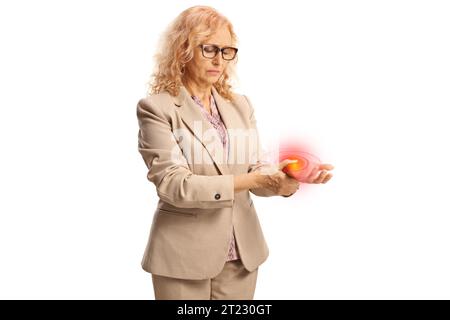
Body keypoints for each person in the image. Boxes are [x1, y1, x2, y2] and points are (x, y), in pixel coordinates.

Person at [136, 5, 333, 300]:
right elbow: (175, 185)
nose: (220, 59)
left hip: (242, 254)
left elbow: (256, 168)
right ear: (183, 50)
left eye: (228, 50)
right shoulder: (157, 108)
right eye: (209, 49)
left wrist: (286, 180)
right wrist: (256, 180)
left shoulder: (240, 104)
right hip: (183, 257)